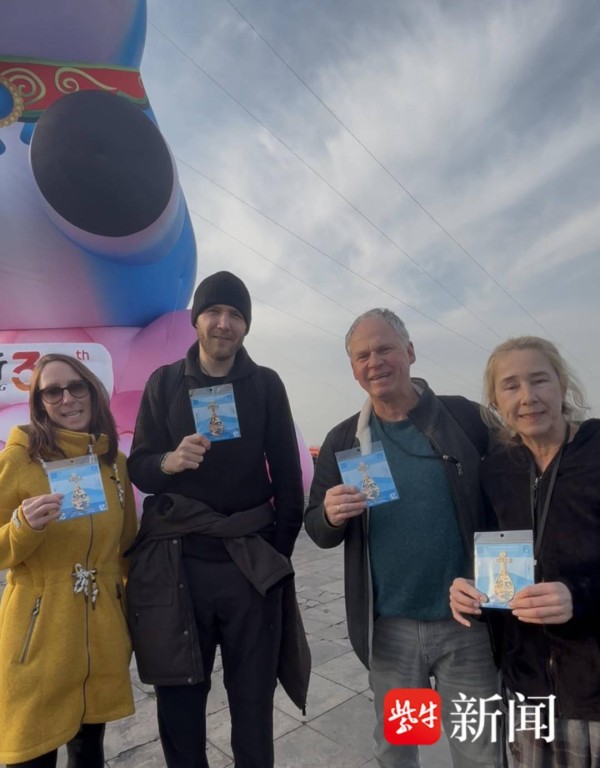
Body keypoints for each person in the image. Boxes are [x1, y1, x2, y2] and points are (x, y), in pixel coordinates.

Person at [305, 308, 501, 768]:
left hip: (468, 627)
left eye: (385, 349)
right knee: (399, 752)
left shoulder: (466, 418)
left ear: (410, 352)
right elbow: (316, 527)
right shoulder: (343, 440)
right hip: (392, 633)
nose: (374, 362)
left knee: (478, 753)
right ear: (354, 370)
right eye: (362, 356)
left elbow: (510, 498)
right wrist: (330, 516)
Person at [126, 270, 307, 768]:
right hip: (180, 564)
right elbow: (139, 467)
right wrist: (169, 461)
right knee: (180, 705)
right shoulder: (164, 383)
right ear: (196, 320)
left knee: (253, 703)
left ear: (246, 325)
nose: (224, 323)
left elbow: (288, 478)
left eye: (235, 315)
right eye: (213, 312)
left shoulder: (266, 384)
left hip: (249, 563)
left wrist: (275, 556)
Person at [450, 336, 600, 768]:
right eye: (511, 385)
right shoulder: (496, 470)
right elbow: (495, 562)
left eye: (539, 380)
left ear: (562, 384)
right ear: (495, 401)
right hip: (528, 687)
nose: (528, 397)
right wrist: (471, 593)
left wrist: (579, 595)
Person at [0, 353, 137, 768]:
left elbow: (126, 547)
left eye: (76, 387)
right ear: (40, 403)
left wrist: (125, 610)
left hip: (100, 638)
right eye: (52, 391)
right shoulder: (19, 460)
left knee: (88, 753)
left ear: (92, 391)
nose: (67, 399)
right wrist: (22, 526)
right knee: (31, 756)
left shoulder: (114, 463)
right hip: (39, 639)